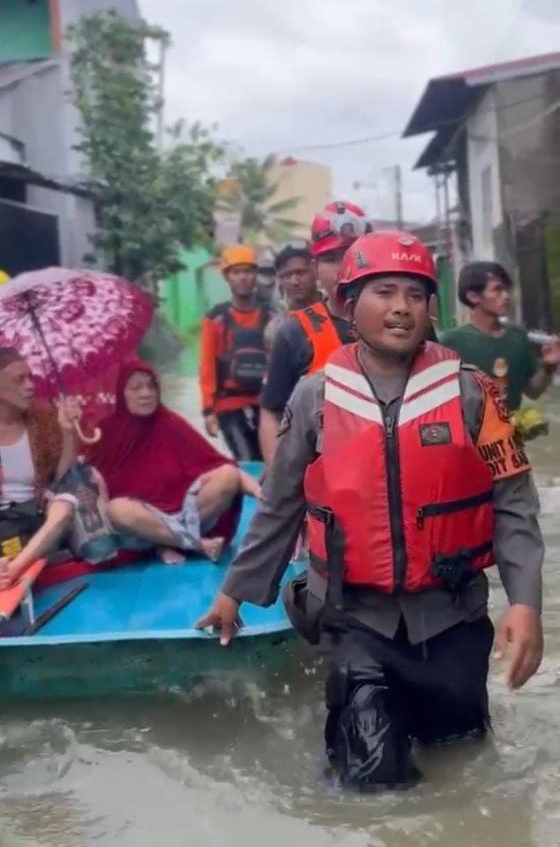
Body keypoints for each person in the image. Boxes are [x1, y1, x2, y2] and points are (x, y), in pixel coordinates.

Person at [198, 230, 544, 790]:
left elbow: (514, 505)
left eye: (415, 294)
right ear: (348, 304)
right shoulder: (315, 396)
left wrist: (526, 604)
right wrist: (232, 592)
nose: (402, 307)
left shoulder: (472, 392)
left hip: (452, 616)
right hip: (355, 617)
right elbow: (280, 502)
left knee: (463, 761)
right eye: (384, 291)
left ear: (431, 308)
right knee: (371, 777)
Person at [86, 360, 260, 565]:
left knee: (228, 476)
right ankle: (194, 544)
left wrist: (262, 496)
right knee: (117, 510)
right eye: (136, 388)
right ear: (120, 394)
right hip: (143, 526)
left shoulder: (170, 422)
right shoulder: (106, 431)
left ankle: (169, 542)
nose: (146, 393)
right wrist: (69, 431)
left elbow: (222, 466)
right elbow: (86, 476)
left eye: (151, 386)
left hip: (184, 513)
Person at [0, 347, 81, 588]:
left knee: (64, 506)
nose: (30, 385)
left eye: (30, 377)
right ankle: (2, 572)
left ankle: (10, 572)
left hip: (33, 519)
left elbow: (61, 478)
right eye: (19, 380)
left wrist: (68, 432)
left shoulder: (44, 418)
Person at [259, 202, 370, 464]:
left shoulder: (408, 322)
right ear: (316, 267)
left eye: (353, 254)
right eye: (331, 259)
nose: (344, 267)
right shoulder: (292, 333)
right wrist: (278, 484)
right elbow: (271, 411)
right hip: (324, 481)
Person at [440, 261, 560, 411]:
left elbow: (532, 392)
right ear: (473, 296)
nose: (506, 296)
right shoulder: (451, 343)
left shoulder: (517, 337)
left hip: (513, 431)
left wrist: (548, 366)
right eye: (497, 290)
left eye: (506, 289)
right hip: (470, 432)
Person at [200, 244, 271, 461]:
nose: (243, 278)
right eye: (236, 272)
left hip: (266, 403)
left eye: (248, 271)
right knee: (246, 458)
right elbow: (207, 367)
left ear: (255, 275)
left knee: (271, 459)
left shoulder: (272, 315)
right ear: (227, 277)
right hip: (228, 405)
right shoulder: (216, 319)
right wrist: (208, 411)